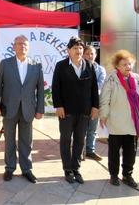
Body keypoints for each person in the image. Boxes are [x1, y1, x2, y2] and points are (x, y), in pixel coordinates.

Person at [0, 35, 44, 183]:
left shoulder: (36, 65)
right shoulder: (5, 63)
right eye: (19, 44)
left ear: (28, 48)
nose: (22, 47)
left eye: (25, 45)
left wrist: (40, 109)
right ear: (13, 46)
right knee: (9, 140)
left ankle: (27, 169)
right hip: (9, 108)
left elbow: (40, 89)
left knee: (26, 141)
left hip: (28, 109)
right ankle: (9, 168)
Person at [52, 36, 99, 184]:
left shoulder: (89, 66)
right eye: (74, 48)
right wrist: (58, 105)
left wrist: (95, 107)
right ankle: (67, 169)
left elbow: (94, 88)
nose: (78, 51)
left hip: (84, 111)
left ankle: (76, 168)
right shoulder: (61, 66)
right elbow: (56, 88)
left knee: (80, 141)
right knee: (66, 140)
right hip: (66, 111)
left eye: (80, 48)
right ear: (68, 51)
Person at [99, 50, 139, 188]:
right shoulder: (111, 79)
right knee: (114, 152)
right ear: (117, 66)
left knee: (131, 151)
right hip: (115, 121)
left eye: (129, 64)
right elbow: (105, 99)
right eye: (124, 64)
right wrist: (103, 115)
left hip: (132, 122)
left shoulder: (137, 78)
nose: (128, 66)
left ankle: (127, 175)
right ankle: (114, 175)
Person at [83, 46, 106, 161]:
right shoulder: (80, 68)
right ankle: (80, 151)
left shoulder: (101, 70)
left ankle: (90, 150)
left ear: (95, 55)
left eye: (92, 54)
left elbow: (100, 85)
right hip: (82, 103)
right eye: (87, 54)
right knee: (81, 128)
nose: (90, 56)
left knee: (92, 128)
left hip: (95, 103)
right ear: (83, 55)